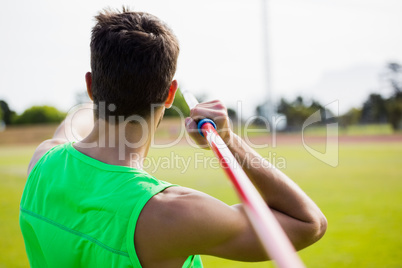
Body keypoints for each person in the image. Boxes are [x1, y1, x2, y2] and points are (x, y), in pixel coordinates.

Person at [20, 8, 327, 268]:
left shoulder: (43, 161)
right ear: (170, 94)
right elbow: (308, 223)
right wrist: (229, 140)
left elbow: (81, 116)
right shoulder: (171, 213)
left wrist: (110, 85)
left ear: (90, 85)